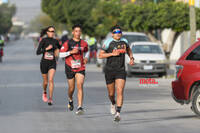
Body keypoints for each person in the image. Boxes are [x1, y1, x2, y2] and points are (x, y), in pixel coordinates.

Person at [98, 25, 134, 122]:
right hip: (109, 70)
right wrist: (111, 54)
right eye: (115, 32)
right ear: (112, 34)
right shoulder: (107, 42)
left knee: (120, 90)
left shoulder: (124, 41)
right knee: (111, 94)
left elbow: (129, 50)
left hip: (120, 70)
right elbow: (100, 55)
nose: (118, 34)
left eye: (119, 32)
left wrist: (131, 58)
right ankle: (113, 103)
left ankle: (118, 113)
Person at [59, 24, 89, 115]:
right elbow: (60, 55)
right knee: (71, 88)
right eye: (76, 31)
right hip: (69, 67)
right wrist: (70, 52)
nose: (78, 33)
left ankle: (80, 107)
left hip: (80, 67)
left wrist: (86, 57)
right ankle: (70, 99)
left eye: (79, 31)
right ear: (73, 32)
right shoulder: (68, 43)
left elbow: (87, 50)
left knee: (80, 85)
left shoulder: (84, 43)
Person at [36, 26, 61, 106]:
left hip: (52, 63)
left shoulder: (55, 41)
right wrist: (46, 49)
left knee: (51, 80)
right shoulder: (43, 40)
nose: (52, 33)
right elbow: (37, 52)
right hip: (44, 63)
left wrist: (58, 53)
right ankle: (44, 92)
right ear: (47, 32)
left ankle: (50, 99)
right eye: (50, 31)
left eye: (53, 31)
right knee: (46, 82)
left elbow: (61, 49)